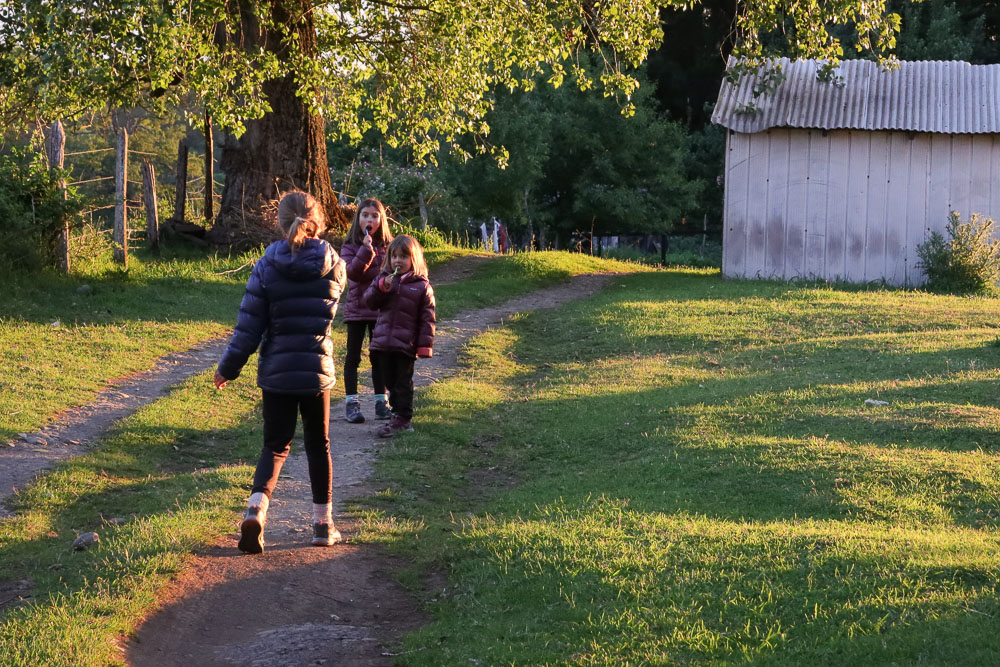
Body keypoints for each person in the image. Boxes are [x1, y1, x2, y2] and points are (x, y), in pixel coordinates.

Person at [214, 191, 347, 554]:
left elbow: (248, 328)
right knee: (318, 445)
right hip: (316, 370)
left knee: (275, 445)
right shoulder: (334, 263)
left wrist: (228, 368)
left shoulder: (266, 265)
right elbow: (330, 308)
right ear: (319, 221)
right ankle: (323, 525)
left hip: (276, 371)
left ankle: (256, 510)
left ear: (279, 222)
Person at [363, 235, 436, 438]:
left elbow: (427, 319)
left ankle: (403, 418)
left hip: (405, 345)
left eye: (403, 257)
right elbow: (368, 301)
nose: (398, 261)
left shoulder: (421, 286)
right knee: (389, 381)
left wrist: (424, 346)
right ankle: (396, 413)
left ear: (414, 259)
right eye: (394, 256)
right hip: (383, 342)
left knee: (402, 382)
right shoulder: (384, 279)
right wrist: (380, 288)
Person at [339, 198, 393, 424]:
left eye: (374, 216)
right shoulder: (349, 246)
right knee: (353, 357)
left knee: (378, 357)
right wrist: (365, 251)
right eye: (365, 215)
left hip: (379, 310)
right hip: (357, 309)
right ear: (358, 219)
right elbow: (352, 274)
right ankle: (352, 404)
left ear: (381, 220)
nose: (370, 220)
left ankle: (381, 402)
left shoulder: (388, 247)